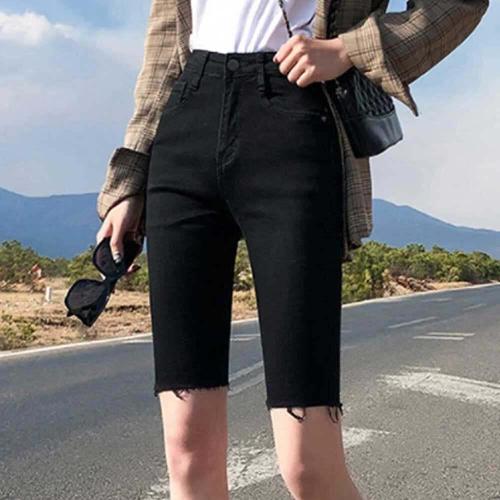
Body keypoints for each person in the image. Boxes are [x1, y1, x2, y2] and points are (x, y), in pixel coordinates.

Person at [95, 0, 489, 498]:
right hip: (185, 122)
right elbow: (164, 42)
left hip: (296, 118)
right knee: (186, 448)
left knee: (307, 462)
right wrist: (131, 176)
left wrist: (350, 49)